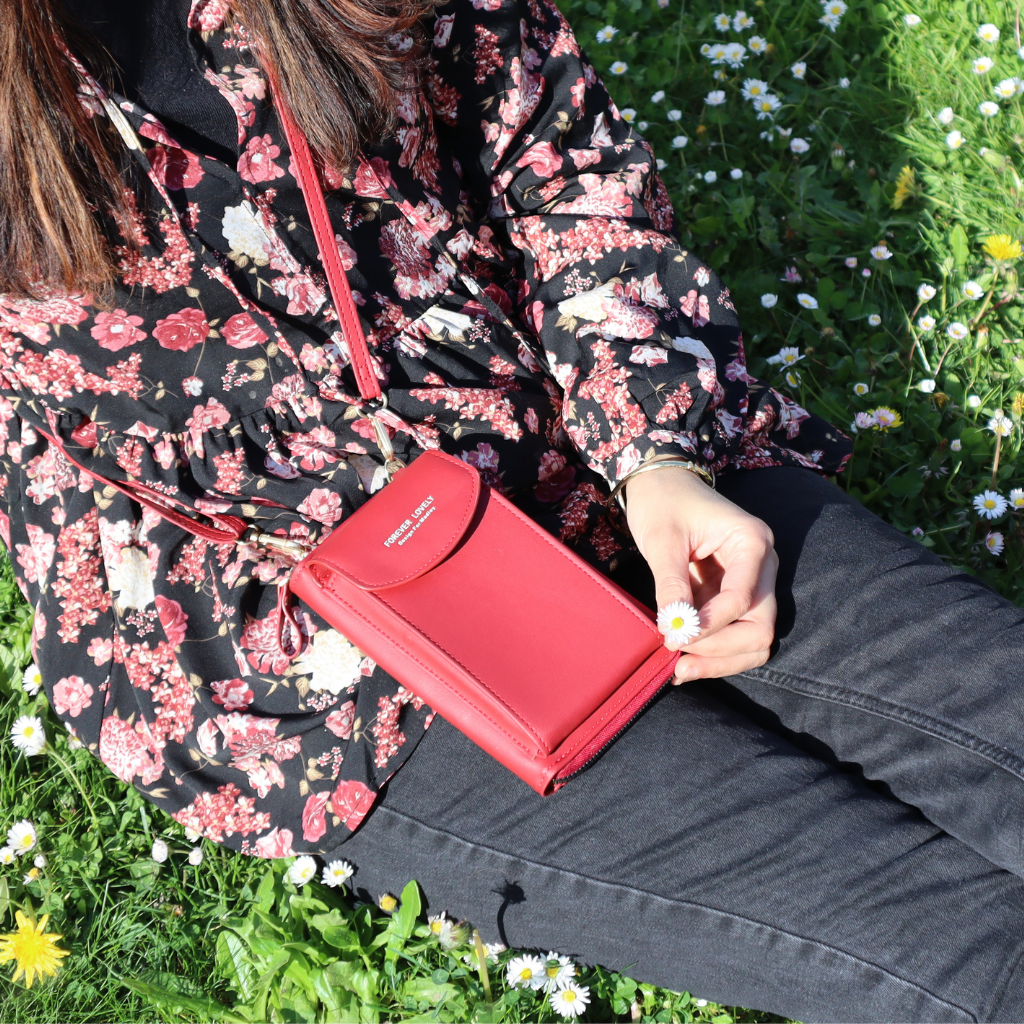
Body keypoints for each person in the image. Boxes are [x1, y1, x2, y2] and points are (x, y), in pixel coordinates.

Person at [3, 0, 1024, 1019]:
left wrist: (655, 454)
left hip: (577, 427)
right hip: (324, 648)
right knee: (968, 953)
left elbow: (558, 156)